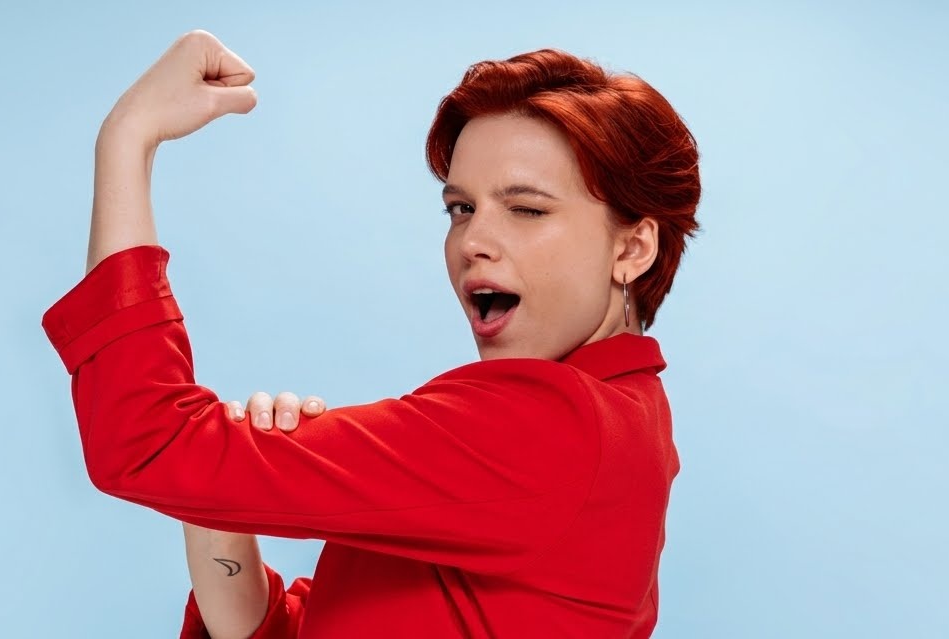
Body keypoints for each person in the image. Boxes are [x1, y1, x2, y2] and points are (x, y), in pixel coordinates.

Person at [40, 29, 700, 639]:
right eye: (460, 208)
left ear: (633, 248)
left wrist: (129, 137)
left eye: (526, 209)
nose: (472, 241)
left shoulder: (558, 426)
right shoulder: (619, 427)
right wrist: (221, 489)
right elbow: (300, 624)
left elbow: (142, 437)